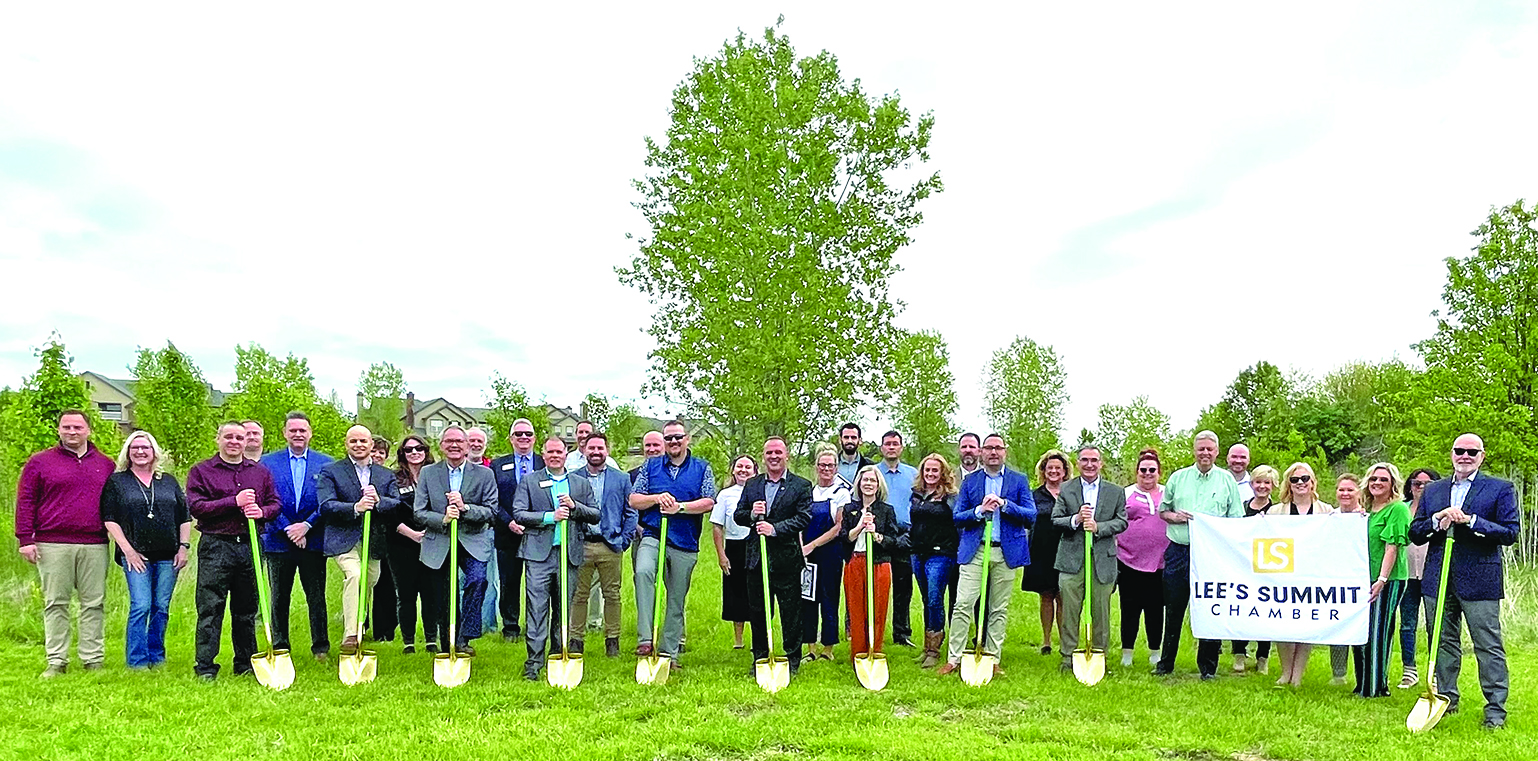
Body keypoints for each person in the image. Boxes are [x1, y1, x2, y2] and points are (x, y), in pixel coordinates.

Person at [1409, 434, 1518, 730]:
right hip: (1438, 579)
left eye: (1472, 451)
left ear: (1482, 456)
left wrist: (1471, 521)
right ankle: (1446, 700)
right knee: (1442, 643)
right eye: (1460, 451)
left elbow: (1510, 533)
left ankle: (1495, 710)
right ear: (1452, 454)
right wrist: (1437, 520)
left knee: (1487, 645)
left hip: (1480, 580)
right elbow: (1416, 533)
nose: (1465, 456)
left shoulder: (1500, 489)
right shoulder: (1434, 490)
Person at [15, 410, 115, 678]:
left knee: (93, 603)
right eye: (67, 427)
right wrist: (26, 539)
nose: (72, 432)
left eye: (78, 427)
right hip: (52, 543)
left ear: (89, 430)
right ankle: (57, 660)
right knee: (56, 603)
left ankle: (92, 659)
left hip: (94, 543)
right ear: (58, 430)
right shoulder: (39, 463)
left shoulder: (105, 464)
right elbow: (26, 501)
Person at [186, 421, 280, 680]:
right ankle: (205, 666)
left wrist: (262, 512)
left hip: (250, 545)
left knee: (246, 609)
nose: (234, 442)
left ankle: (246, 663)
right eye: (229, 437)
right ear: (218, 439)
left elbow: (275, 504)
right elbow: (196, 506)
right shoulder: (201, 471)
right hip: (217, 545)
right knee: (210, 608)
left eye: (240, 437)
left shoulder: (259, 472)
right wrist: (233, 502)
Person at [938, 434, 1034, 677]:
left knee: (998, 608)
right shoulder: (971, 482)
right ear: (981, 452)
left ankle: (992, 657)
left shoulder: (1018, 480)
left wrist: (1005, 504)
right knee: (963, 604)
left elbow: (1031, 515)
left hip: (1006, 551)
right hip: (976, 549)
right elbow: (958, 516)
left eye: (998, 448)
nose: (994, 452)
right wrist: (980, 511)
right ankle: (954, 658)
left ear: (1005, 452)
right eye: (989, 448)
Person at [1154, 431, 1244, 680]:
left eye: (1209, 449)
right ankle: (1165, 664)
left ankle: (1208, 667)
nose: (1205, 453)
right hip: (1179, 550)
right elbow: (1164, 511)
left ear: (1216, 452)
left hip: (1211, 554)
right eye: (1201, 449)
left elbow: (1235, 519)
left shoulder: (1227, 481)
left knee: (1210, 608)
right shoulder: (1178, 478)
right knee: (1173, 608)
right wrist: (1177, 517)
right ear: (1194, 451)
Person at [629, 420, 716, 670]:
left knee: (676, 599)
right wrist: (656, 499)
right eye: (668, 439)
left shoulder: (701, 468)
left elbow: (709, 501)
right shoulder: (651, 466)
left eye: (678, 437)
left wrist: (680, 507)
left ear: (687, 439)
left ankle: (669, 654)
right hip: (654, 535)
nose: (673, 442)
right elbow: (634, 499)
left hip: (685, 542)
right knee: (644, 571)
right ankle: (646, 639)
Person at [101, 431, 191, 670]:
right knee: (141, 605)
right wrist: (128, 550)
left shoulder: (168, 481)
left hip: (168, 555)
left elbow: (184, 516)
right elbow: (109, 519)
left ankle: (156, 656)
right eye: (135, 448)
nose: (140, 452)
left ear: (154, 452)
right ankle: (137, 660)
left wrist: (183, 547)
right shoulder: (118, 482)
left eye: (145, 448)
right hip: (136, 555)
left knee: (161, 607)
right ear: (128, 453)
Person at [512, 437, 601, 680]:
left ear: (566, 453)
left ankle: (558, 653)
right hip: (538, 555)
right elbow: (519, 513)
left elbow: (595, 514)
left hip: (569, 554)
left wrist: (574, 508)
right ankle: (533, 662)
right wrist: (550, 516)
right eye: (550, 451)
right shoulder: (530, 481)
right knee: (537, 609)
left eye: (559, 451)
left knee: (564, 608)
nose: (554, 455)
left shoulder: (579, 483)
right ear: (543, 453)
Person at [412, 425, 498, 655]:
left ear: (468, 446)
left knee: (478, 580)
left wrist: (465, 508)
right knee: (442, 595)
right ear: (441, 446)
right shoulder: (429, 473)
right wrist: (443, 518)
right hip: (439, 541)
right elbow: (419, 512)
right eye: (448, 441)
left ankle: (464, 636)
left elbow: (491, 511)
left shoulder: (485, 474)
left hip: (472, 539)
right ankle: (447, 643)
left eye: (459, 441)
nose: (454, 445)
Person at [317, 425, 401, 655]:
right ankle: (351, 634)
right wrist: (355, 507)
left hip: (374, 542)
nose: (358, 445)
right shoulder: (331, 471)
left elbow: (396, 504)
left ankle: (357, 624)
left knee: (368, 582)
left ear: (371, 445)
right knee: (355, 576)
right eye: (353, 441)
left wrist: (378, 501)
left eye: (363, 441)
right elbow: (326, 505)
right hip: (344, 539)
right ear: (346, 444)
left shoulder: (385, 475)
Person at [734, 437, 813, 678]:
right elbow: (738, 515)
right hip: (757, 558)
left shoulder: (801, 485)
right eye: (769, 453)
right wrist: (752, 514)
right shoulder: (753, 485)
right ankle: (760, 656)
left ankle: (792, 658)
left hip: (786, 559)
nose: (774, 456)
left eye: (778, 452)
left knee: (791, 612)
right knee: (758, 611)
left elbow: (804, 518)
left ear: (786, 455)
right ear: (763, 456)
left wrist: (775, 528)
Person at [258, 411, 333, 662]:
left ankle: (320, 647)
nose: (298, 434)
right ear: (285, 433)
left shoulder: (326, 464)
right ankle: (280, 645)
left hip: (313, 539)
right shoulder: (268, 463)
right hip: (279, 540)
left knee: (316, 595)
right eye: (293, 430)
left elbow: (328, 501)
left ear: (310, 433)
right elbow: (265, 500)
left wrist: (307, 526)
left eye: (302, 430)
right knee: (279, 596)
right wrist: (288, 528)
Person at [1052, 446, 1127, 672]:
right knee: (1070, 610)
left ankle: (1098, 657)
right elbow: (1056, 519)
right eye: (1084, 460)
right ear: (1078, 462)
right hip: (1071, 560)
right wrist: (1075, 519)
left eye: (1094, 460)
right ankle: (1068, 657)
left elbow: (1122, 521)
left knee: (1101, 612)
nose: (1089, 464)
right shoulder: (1067, 489)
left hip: (1102, 560)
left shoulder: (1115, 491)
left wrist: (1098, 527)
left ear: (1101, 463)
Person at [569, 432, 635, 658]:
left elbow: (630, 512)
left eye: (600, 448)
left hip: (610, 544)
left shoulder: (621, 478)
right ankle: (576, 639)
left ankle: (612, 640)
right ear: (584, 450)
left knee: (612, 595)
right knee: (579, 595)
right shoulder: (573, 478)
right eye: (591, 448)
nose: (596, 452)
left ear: (607, 450)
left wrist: (624, 539)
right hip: (582, 543)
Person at [1268, 462, 1334, 688]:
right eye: (1295, 480)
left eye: (1304, 479)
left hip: (1314, 575)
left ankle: (1297, 676)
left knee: (1306, 624)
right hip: (1282, 574)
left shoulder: (1327, 511)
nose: (1300, 483)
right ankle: (1285, 672)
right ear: (1288, 484)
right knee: (1282, 625)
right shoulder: (1275, 511)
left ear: (1313, 481)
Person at [1353, 462, 1410, 698]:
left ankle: (1375, 687)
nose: (1377, 483)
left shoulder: (1397, 509)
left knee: (1378, 632)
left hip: (1387, 579)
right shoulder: (1365, 510)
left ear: (1392, 484)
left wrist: (1382, 579)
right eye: (1374, 479)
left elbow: (1392, 547)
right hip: (1361, 578)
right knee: (1359, 632)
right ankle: (1361, 683)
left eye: (1383, 480)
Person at [842, 466, 908, 667]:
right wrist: (860, 525)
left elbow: (893, 540)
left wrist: (876, 535)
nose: (868, 484)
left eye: (872, 480)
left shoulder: (886, 510)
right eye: (865, 480)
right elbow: (845, 537)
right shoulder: (849, 509)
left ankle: (874, 650)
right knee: (856, 609)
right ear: (859, 484)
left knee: (878, 609)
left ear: (878, 485)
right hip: (855, 562)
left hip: (879, 564)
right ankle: (858, 654)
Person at [1117, 449, 1168, 668]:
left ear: (1159, 472)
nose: (1148, 474)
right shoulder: (1125, 494)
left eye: (1152, 470)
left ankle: (1155, 652)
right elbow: (1116, 520)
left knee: (1156, 609)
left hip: (1161, 562)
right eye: (1143, 470)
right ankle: (1127, 652)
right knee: (1129, 608)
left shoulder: (1168, 493)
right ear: (1136, 472)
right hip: (1129, 560)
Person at [489, 418, 537, 642]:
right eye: (518, 434)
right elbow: (492, 500)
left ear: (534, 438)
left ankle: (536, 626)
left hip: (538, 534)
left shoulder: (544, 462)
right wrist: (508, 521)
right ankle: (510, 627)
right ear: (511, 439)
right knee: (509, 582)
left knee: (537, 583)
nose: (523, 438)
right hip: (507, 533)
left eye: (528, 434)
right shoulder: (498, 465)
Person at [910, 453, 960, 669]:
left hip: (941, 554)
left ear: (942, 473)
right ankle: (926, 645)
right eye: (927, 470)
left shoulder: (950, 496)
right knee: (925, 600)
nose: (930, 474)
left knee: (934, 598)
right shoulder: (917, 494)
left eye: (934, 470)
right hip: (918, 552)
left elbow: (958, 522)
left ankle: (934, 650)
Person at [802, 445, 850, 661]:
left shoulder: (841, 493)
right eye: (822, 465)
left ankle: (828, 648)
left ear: (836, 467)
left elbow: (838, 526)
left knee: (829, 598)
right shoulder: (808, 492)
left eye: (830, 465)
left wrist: (813, 545)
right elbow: (801, 522)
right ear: (816, 467)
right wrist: (802, 546)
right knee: (808, 599)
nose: (826, 469)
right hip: (806, 554)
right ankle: (810, 647)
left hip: (830, 553)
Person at [1233, 464, 1281, 674]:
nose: (1262, 486)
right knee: (1240, 609)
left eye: (1266, 483)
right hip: (1242, 565)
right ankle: (1239, 655)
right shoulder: (1240, 507)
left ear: (1273, 486)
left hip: (1269, 567)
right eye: (1258, 482)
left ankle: (1263, 657)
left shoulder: (1279, 510)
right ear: (1251, 484)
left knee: (1266, 613)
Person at [1022, 450, 1071, 655]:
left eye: (1057, 468)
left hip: (1066, 548)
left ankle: (1065, 641)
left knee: (1063, 596)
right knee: (1046, 595)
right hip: (1041, 550)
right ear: (1043, 471)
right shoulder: (1034, 495)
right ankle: (1046, 641)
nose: (1053, 471)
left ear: (1064, 471)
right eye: (1049, 468)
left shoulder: (1071, 494)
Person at [390, 435, 435, 653]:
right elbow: (389, 512)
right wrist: (412, 534)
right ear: (402, 454)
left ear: (426, 451)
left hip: (432, 542)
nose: (414, 453)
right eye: (409, 450)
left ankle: (431, 639)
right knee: (406, 594)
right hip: (401, 543)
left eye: (419, 448)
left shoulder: (436, 475)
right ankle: (408, 640)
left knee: (430, 593)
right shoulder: (394, 479)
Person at [1397, 467, 1439, 689]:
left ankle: (1435, 671)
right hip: (1406, 573)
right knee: (1407, 624)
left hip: (1433, 573)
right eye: (1416, 483)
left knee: (1435, 623)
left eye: (1427, 484)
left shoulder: (1441, 509)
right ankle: (1409, 669)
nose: (1421, 488)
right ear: (1409, 486)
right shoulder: (1401, 509)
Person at [710, 455, 758, 650]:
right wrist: (721, 555)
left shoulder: (761, 491)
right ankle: (738, 640)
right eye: (740, 466)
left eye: (748, 467)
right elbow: (717, 526)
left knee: (756, 593)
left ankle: (759, 637)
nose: (743, 470)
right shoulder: (725, 495)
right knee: (735, 593)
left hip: (756, 546)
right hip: (734, 547)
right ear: (733, 470)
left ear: (755, 471)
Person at [878, 430, 919, 648]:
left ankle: (901, 633)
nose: (891, 447)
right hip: (879, 535)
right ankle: (875, 632)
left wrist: (910, 533)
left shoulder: (913, 474)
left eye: (895, 444)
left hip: (905, 535)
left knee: (903, 587)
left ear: (901, 447)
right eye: (887, 444)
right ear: (881, 448)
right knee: (878, 586)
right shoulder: (873, 473)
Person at [1330, 474, 1363, 685]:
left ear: (1358, 493)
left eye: (1350, 490)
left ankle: (1363, 673)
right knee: (1337, 624)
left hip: (1360, 577)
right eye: (1341, 490)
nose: (1345, 494)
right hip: (1334, 577)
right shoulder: (1329, 517)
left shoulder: (1366, 517)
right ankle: (1338, 673)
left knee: (1359, 625)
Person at [368, 434, 397, 642]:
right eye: (374, 451)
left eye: (382, 452)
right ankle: (359, 624)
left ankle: (384, 630)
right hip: (358, 537)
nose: (377, 455)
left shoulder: (388, 476)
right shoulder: (352, 474)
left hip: (385, 537)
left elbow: (394, 504)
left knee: (385, 585)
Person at [836, 423, 873, 488]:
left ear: (860, 440)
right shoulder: (831, 464)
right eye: (846, 437)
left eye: (853, 437)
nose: (850, 441)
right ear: (840, 440)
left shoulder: (869, 466)